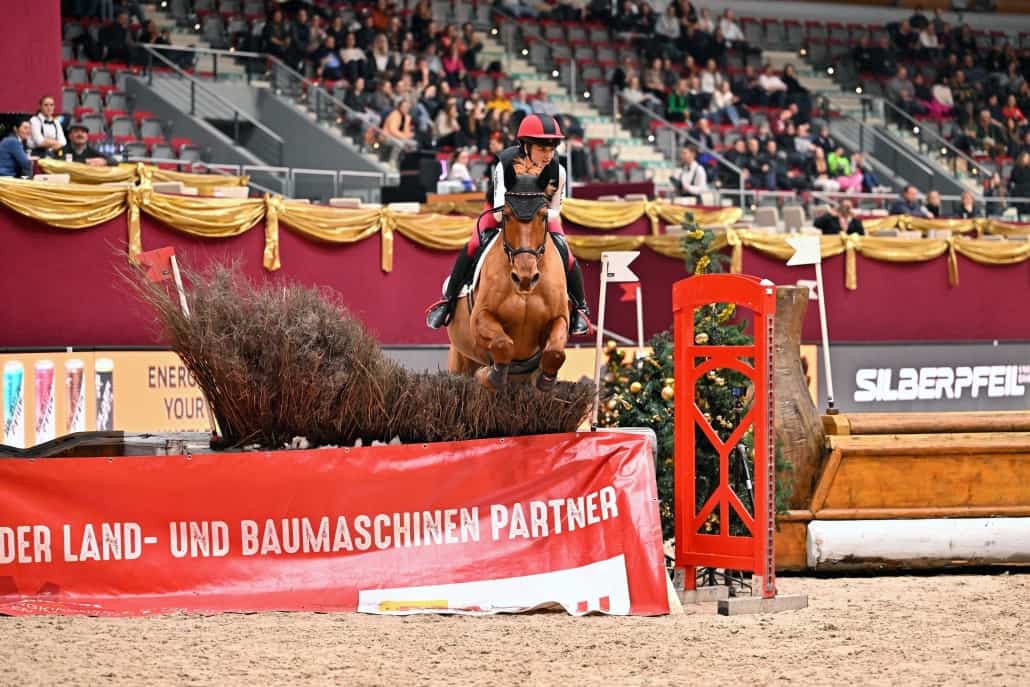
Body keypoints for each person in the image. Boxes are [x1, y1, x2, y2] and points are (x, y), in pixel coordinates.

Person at [425, 114, 591, 335]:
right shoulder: (505, 163)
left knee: (565, 252)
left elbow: (556, 209)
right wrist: (519, 218)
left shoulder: (558, 170)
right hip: (499, 211)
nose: (548, 155)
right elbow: (498, 209)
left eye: (552, 148)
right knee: (475, 244)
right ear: (525, 145)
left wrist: (536, 217)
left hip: (540, 216)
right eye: (542, 149)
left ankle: (580, 308)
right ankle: (448, 301)